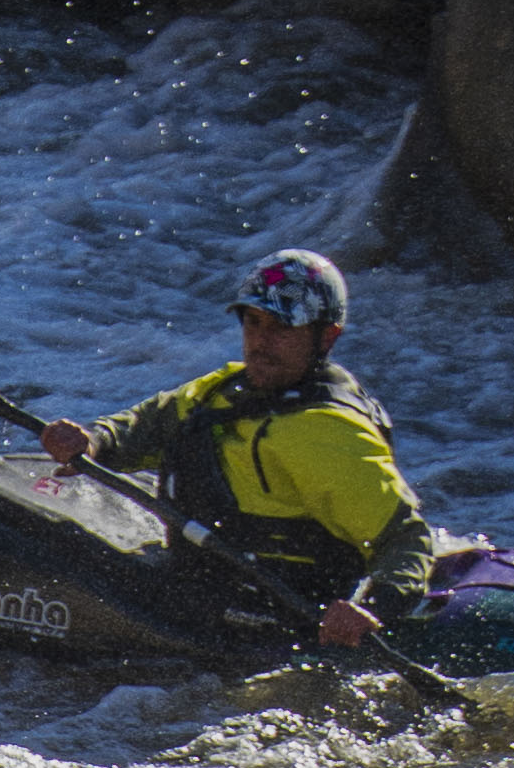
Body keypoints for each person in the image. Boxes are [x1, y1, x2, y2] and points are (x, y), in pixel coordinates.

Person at [37, 245, 439, 658]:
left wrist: (371, 609)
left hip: (281, 619)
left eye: (281, 328)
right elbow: (150, 423)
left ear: (327, 336)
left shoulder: (329, 433)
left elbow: (407, 537)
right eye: (253, 323)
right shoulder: (227, 388)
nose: (261, 343)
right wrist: (95, 438)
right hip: (207, 587)